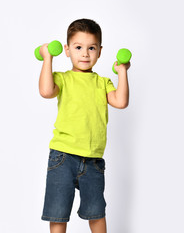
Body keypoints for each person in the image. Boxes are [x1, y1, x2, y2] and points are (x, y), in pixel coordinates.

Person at [38, 18, 130, 233]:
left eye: (91, 48)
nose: (85, 54)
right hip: (63, 156)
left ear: (99, 51)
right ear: (67, 50)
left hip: (93, 160)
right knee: (58, 212)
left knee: (97, 212)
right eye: (78, 47)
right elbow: (45, 91)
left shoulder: (103, 82)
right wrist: (47, 58)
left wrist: (123, 71)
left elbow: (121, 102)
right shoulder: (63, 78)